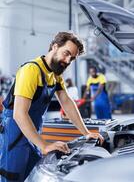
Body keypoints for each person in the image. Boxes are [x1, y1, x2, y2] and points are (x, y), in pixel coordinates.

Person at [0, 32, 103, 182]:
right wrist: (44, 145)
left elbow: (67, 102)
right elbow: (19, 114)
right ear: (55, 46)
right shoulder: (31, 70)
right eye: (66, 53)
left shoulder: (55, 76)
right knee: (12, 177)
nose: (68, 60)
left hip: (32, 135)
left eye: (72, 58)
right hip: (14, 137)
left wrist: (86, 133)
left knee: (32, 176)